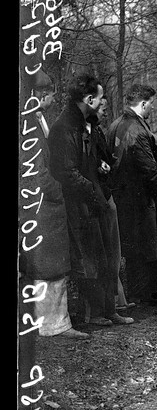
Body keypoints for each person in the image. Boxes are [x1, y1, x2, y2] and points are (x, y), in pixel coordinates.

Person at [49, 74, 134, 326]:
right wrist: (94, 192)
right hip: (82, 204)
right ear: (88, 99)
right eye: (99, 98)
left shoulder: (91, 124)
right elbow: (66, 172)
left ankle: (110, 310)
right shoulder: (63, 128)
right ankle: (95, 313)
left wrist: (103, 167)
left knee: (109, 255)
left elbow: (97, 159)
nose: (102, 102)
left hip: (99, 198)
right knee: (90, 259)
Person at [20, 71, 89, 339]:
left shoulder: (35, 121)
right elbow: (36, 172)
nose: (53, 98)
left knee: (48, 264)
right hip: (44, 207)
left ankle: (51, 323)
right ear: (40, 95)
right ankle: (53, 325)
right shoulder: (30, 126)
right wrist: (58, 190)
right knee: (49, 266)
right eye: (50, 94)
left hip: (42, 206)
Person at [107, 83, 157, 306]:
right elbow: (149, 171)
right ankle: (155, 294)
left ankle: (137, 294)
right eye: (152, 104)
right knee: (153, 245)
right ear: (144, 103)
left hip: (123, 197)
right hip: (144, 200)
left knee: (133, 247)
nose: (153, 109)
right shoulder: (137, 130)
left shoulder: (115, 125)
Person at [90, 95, 134, 315]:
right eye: (102, 109)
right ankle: (111, 305)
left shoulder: (98, 130)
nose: (105, 113)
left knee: (114, 252)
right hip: (99, 195)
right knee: (108, 252)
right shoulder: (88, 131)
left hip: (107, 192)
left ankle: (118, 301)